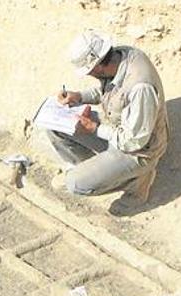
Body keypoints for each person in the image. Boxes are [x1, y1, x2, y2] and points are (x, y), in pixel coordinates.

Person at [48, 31, 169, 204]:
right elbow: (109, 90)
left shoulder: (140, 87)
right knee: (56, 126)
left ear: (97, 67)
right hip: (117, 127)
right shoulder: (119, 57)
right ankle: (101, 172)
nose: (89, 75)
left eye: (88, 71)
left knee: (75, 184)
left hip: (139, 151)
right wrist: (79, 96)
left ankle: (137, 182)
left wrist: (94, 129)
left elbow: (134, 141)